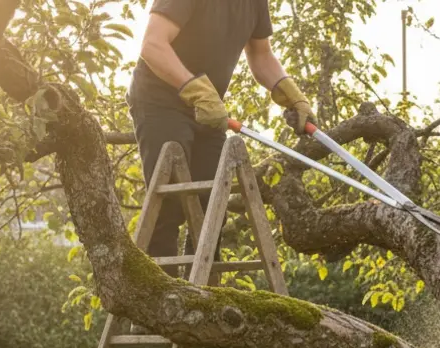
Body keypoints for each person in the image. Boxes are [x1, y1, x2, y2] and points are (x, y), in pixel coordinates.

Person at [127, 0, 314, 257]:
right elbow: (153, 45)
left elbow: (261, 54)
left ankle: (205, 293)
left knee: (213, 206)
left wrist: (289, 91)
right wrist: (196, 90)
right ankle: (159, 293)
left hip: (209, 110)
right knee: (167, 204)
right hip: (160, 102)